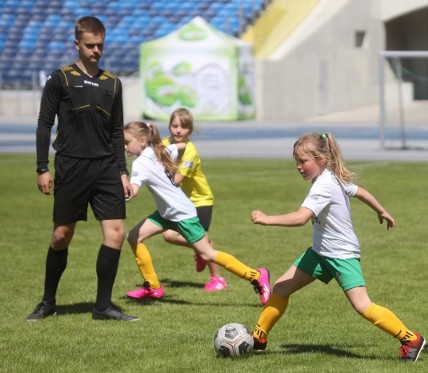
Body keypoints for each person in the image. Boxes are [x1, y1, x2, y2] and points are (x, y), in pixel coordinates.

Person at [250, 132, 425, 362]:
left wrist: (266, 218)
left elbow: (301, 218)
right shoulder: (330, 177)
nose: (299, 167)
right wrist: (380, 210)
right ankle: (258, 337)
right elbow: (359, 191)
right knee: (281, 288)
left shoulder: (323, 185)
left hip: (341, 255)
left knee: (363, 306)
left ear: (321, 160)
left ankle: (410, 338)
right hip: (320, 253)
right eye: (297, 162)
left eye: (303, 161)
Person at [28, 16, 137, 321]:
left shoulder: (113, 83)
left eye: (100, 45)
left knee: (115, 233)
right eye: (90, 45)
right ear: (77, 44)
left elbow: (117, 132)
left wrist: (122, 171)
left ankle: (103, 306)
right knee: (62, 235)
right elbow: (44, 125)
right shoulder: (60, 79)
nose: (96, 51)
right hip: (71, 165)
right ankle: (48, 302)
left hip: (106, 168)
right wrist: (42, 167)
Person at [122, 122, 271, 305]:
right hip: (167, 212)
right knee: (134, 237)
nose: (124, 146)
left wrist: (126, 192)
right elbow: (184, 146)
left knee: (208, 254)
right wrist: (164, 146)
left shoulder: (140, 163)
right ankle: (153, 287)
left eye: (126, 142)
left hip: (181, 213)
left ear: (143, 141)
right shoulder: (160, 152)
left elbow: (134, 189)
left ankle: (256, 275)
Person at [161, 108, 226, 292]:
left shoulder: (190, 152)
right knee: (168, 235)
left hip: (200, 201)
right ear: (169, 127)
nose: (179, 130)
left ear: (190, 130)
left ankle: (217, 279)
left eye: (184, 127)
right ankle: (200, 248)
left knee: (204, 244)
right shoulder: (164, 144)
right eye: (175, 126)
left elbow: (177, 180)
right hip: (183, 202)